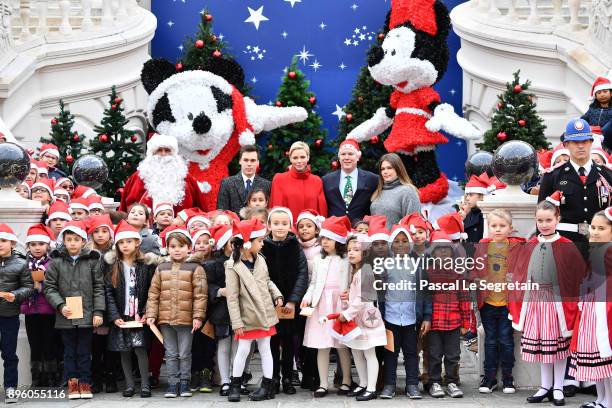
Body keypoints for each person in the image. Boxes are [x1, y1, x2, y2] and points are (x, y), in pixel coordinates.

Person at [508, 198, 586, 405]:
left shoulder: (567, 246)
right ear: (535, 220)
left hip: (557, 304)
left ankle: (558, 388)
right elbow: (520, 273)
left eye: (548, 220)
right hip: (535, 301)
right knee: (543, 347)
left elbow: (578, 275)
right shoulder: (530, 245)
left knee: (558, 347)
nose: (544, 224)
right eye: (540, 220)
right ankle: (544, 386)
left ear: (557, 219)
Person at [44, 221, 105, 400]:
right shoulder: (56, 262)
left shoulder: (92, 261)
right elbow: (49, 287)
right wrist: (61, 306)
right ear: (63, 241)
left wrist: (98, 312)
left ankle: (85, 385)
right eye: (68, 239)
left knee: (85, 352)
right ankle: (73, 385)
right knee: (69, 352)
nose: (72, 243)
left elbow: (99, 288)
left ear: (83, 241)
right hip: (66, 317)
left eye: (76, 239)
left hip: (86, 316)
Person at [225, 218, 284, 402]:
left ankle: (267, 385)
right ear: (247, 242)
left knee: (266, 348)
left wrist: (277, 294)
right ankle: (235, 383)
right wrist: (236, 322)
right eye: (259, 240)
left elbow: (266, 281)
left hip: (265, 311)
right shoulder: (232, 266)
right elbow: (232, 297)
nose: (262, 244)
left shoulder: (261, 260)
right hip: (247, 315)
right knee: (242, 349)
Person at [145, 226, 207, 399]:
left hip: (187, 320)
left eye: (181, 246)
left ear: (189, 247)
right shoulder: (161, 268)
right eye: (173, 246)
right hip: (165, 319)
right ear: (167, 248)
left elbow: (200, 295)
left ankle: (185, 382)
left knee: (184, 353)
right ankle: (173, 383)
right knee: (170, 353)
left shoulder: (195, 268)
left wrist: (197, 316)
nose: (177, 250)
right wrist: (151, 314)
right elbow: (153, 293)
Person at [471, 209, 524, 394]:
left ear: (510, 228)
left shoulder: (517, 248)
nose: (498, 229)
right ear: (488, 227)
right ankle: (490, 378)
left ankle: (508, 378)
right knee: (490, 342)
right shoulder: (482, 247)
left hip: (508, 306)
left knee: (507, 342)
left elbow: (523, 272)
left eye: (502, 226)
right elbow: (474, 271)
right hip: (488, 304)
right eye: (494, 226)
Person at [301, 216, 352, 398]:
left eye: (329, 238)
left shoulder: (346, 260)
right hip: (321, 304)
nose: (325, 242)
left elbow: (352, 282)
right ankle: (323, 383)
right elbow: (313, 283)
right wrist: (307, 297)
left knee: (341, 345)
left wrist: (349, 296)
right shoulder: (318, 260)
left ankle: (346, 380)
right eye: (323, 238)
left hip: (339, 304)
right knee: (321, 344)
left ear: (338, 240)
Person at [103, 221, 156, 398]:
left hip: (138, 315)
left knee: (140, 349)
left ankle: (146, 385)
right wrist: (114, 315)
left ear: (137, 242)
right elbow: (108, 292)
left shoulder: (145, 265)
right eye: (121, 242)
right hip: (122, 315)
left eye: (129, 241)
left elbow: (151, 290)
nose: (125, 245)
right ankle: (129, 385)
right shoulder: (113, 266)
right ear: (117, 245)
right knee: (124, 349)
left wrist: (146, 312)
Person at [539, 118, 612, 243]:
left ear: (591, 142)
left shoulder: (607, 174)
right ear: (566, 144)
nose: (580, 146)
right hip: (564, 243)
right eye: (575, 142)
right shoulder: (552, 176)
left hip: (599, 243)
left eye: (585, 141)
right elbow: (541, 216)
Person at [379, 224, 431, 400]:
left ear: (410, 245)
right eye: (396, 242)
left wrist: (426, 317)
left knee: (411, 353)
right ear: (391, 245)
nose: (400, 245)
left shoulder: (417, 266)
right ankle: (390, 384)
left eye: (404, 242)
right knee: (391, 354)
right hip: (391, 318)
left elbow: (425, 293)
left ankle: (412, 385)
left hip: (411, 319)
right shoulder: (384, 265)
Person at [568, 208, 612, 408]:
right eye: (593, 227)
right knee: (596, 355)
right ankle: (601, 398)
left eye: (601, 228)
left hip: (605, 309)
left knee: (606, 356)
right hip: (592, 307)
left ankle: (609, 401)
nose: (594, 232)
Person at [262, 207, 308, 394]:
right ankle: (273, 378)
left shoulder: (295, 247)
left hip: (289, 303)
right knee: (272, 342)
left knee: (289, 341)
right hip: (269, 303)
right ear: (269, 225)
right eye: (276, 223)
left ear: (290, 226)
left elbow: (302, 274)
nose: (280, 227)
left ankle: (288, 377)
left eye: (284, 223)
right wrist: (267, 299)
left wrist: (293, 300)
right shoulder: (263, 247)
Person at [426, 230, 471, 399]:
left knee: (453, 354)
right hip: (434, 322)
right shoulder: (428, 273)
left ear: (452, 252)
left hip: (453, 321)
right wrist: (425, 319)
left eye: (447, 249)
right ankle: (434, 382)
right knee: (434, 354)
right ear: (433, 252)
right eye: (439, 249)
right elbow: (424, 298)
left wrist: (467, 322)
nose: (443, 252)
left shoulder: (458, 273)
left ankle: (451, 381)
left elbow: (464, 297)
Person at [342, 235, 387, 401]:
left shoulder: (366, 270)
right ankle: (363, 383)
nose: (351, 253)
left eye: (356, 250)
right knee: (356, 350)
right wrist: (346, 300)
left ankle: (371, 388)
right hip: (357, 318)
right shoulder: (357, 271)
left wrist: (346, 314)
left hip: (367, 317)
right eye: (349, 250)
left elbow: (362, 298)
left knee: (369, 352)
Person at [120, 133, 206, 214]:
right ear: (152, 153)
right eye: (159, 150)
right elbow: (125, 207)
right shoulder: (137, 177)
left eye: (167, 150)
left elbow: (200, 209)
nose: (163, 154)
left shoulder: (186, 178)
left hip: (179, 228)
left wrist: (183, 218)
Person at [0, 224, 35, 404]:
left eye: (3, 240)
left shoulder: (21, 264)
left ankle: (10, 388)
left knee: (9, 353)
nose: (0, 244)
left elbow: (29, 287)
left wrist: (16, 295)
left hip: (9, 315)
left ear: (12, 243)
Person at [20, 225, 57, 388]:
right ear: (28, 246)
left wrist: (42, 287)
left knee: (49, 343)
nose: (37, 248)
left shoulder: (52, 264)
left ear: (47, 246)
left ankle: (51, 375)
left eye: (40, 244)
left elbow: (56, 285)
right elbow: (20, 284)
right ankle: (36, 375)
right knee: (34, 343)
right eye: (33, 244)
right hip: (30, 309)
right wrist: (30, 288)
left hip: (48, 309)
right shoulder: (24, 264)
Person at [202, 224, 235, 397]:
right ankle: (225, 380)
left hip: (242, 310)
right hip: (222, 311)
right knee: (223, 346)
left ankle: (238, 378)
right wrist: (220, 291)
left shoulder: (245, 261)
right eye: (232, 241)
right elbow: (207, 286)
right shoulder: (213, 264)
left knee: (239, 346)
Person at [295, 209, 324, 391]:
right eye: (301, 227)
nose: (305, 230)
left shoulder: (321, 248)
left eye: (309, 226)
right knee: (300, 337)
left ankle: (314, 374)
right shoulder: (294, 246)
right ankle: (303, 372)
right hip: (300, 298)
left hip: (316, 299)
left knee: (314, 337)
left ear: (316, 229)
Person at [322, 140, 378, 223]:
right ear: (339, 157)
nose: (346, 157)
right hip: (334, 229)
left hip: (361, 230)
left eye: (350, 154)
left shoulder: (372, 179)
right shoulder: (326, 180)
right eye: (343, 154)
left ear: (358, 157)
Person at [270, 141, 328, 218]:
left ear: (308, 157)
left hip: (311, 229)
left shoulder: (317, 181)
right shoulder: (279, 179)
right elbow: (275, 209)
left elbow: (322, 212)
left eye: (302, 157)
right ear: (290, 159)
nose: (299, 161)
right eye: (295, 158)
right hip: (287, 229)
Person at [370, 153, 421, 229]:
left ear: (398, 169)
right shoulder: (378, 191)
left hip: (396, 240)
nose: (385, 172)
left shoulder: (408, 191)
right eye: (382, 169)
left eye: (389, 168)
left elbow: (413, 224)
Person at [217, 145, 271, 215]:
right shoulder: (227, 183)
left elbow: (268, 213)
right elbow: (221, 212)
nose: (249, 164)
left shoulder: (267, 185)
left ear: (258, 162)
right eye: (246, 160)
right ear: (240, 161)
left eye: (253, 160)